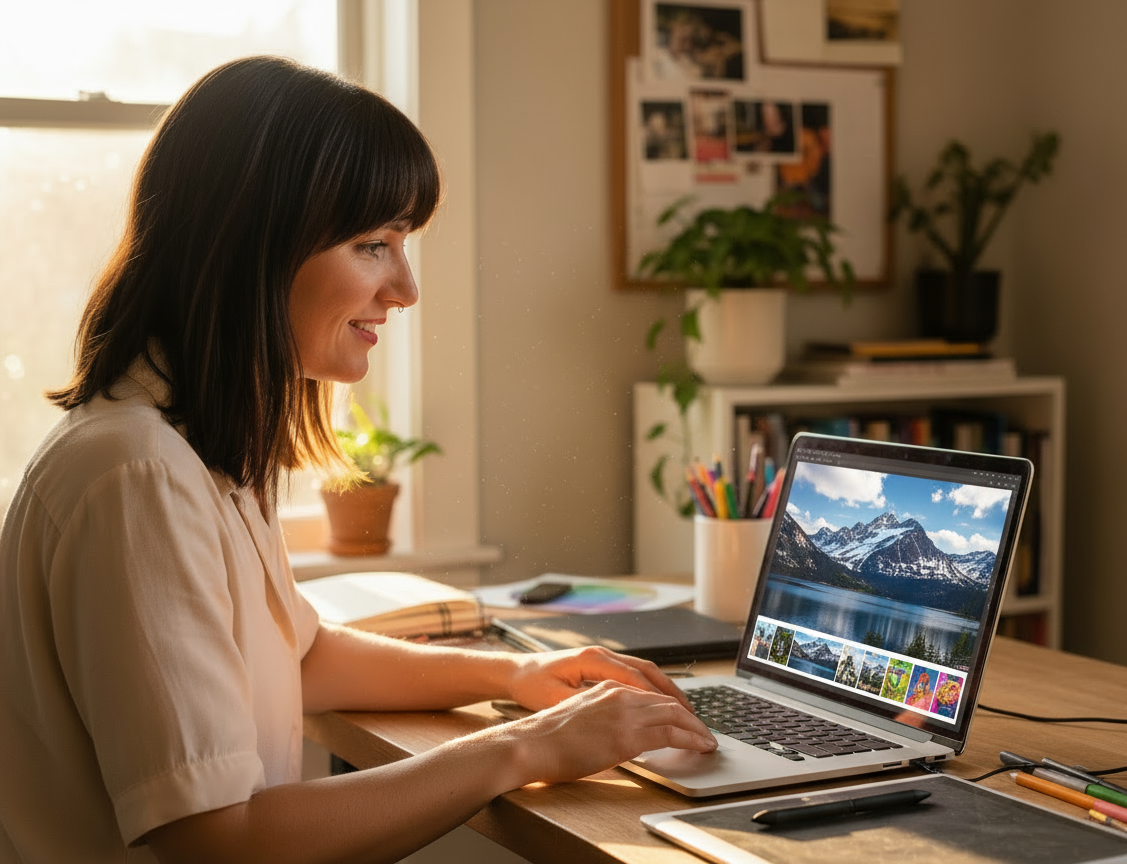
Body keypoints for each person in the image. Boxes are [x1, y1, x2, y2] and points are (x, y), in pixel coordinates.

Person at [0, 56, 717, 864]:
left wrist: (518, 679)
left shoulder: (202, 447)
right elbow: (216, 843)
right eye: (374, 245)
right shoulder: (137, 478)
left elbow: (300, 656)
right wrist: (524, 749)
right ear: (254, 251)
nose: (405, 287)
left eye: (401, 244)